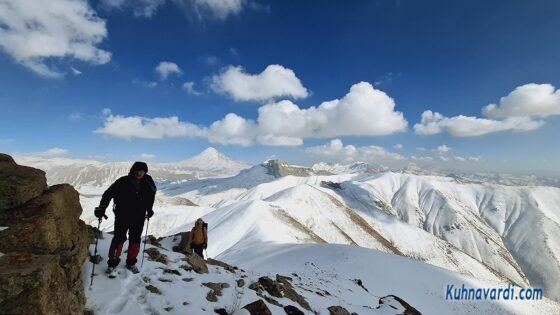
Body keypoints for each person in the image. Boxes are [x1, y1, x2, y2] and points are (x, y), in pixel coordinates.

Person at [94, 161, 156, 274]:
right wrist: (102, 207)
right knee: (118, 238)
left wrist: (149, 209)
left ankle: (131, 262)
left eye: (141, 171)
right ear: (133, 170)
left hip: (139, 216)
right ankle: (112, 263)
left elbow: (150, 198)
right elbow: (108, 193)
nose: (139, 173)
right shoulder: (122, 182)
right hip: (122, 215)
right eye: (137, 170)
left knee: (135, 239)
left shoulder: (148, 184)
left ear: (145, 172)